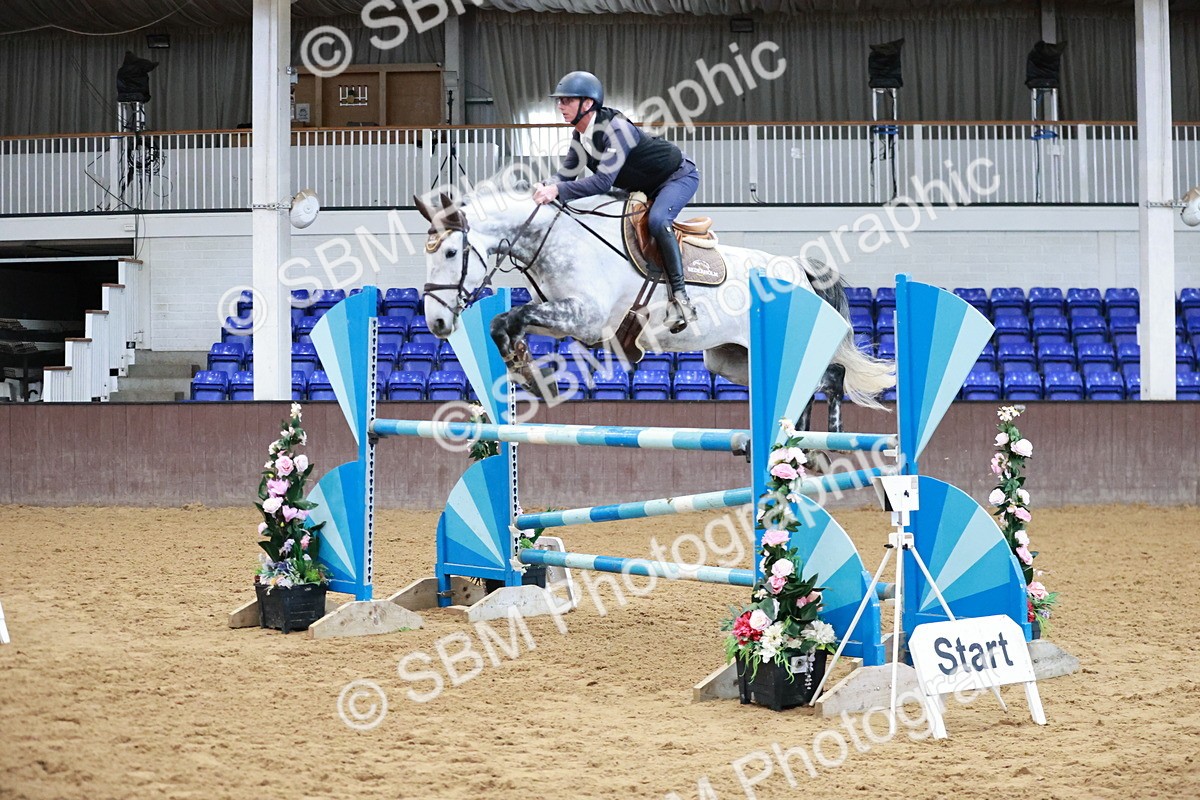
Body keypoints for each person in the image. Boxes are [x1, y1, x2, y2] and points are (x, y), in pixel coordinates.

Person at [532, 70, 700, 333]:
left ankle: (681, 298)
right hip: (641, 186)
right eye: (559, 101)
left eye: (567, 100)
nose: (560, 106)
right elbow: (565, 175)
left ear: (587, 103)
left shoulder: (617, 129)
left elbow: (602, 182)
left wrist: (556, 189)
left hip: (677, 177)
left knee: (658, 220)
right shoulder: (581, 136)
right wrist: (545, 185)